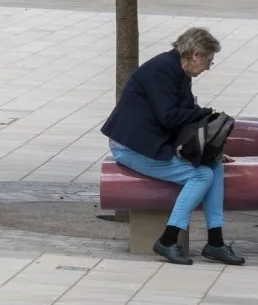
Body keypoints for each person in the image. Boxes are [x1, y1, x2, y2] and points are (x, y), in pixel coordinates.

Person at [101, 26, 240, 265]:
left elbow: (183, 117)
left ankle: (215, 242)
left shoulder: (178, 71)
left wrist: (210, 150)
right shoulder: (163, 70)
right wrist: (208, 114)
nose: (208, 67)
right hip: (130, 148)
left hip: (150, 143)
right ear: (196, 54)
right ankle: (167, 239)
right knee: (201, 176)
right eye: (209, 61)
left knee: (213, 167)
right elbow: (170, 117)